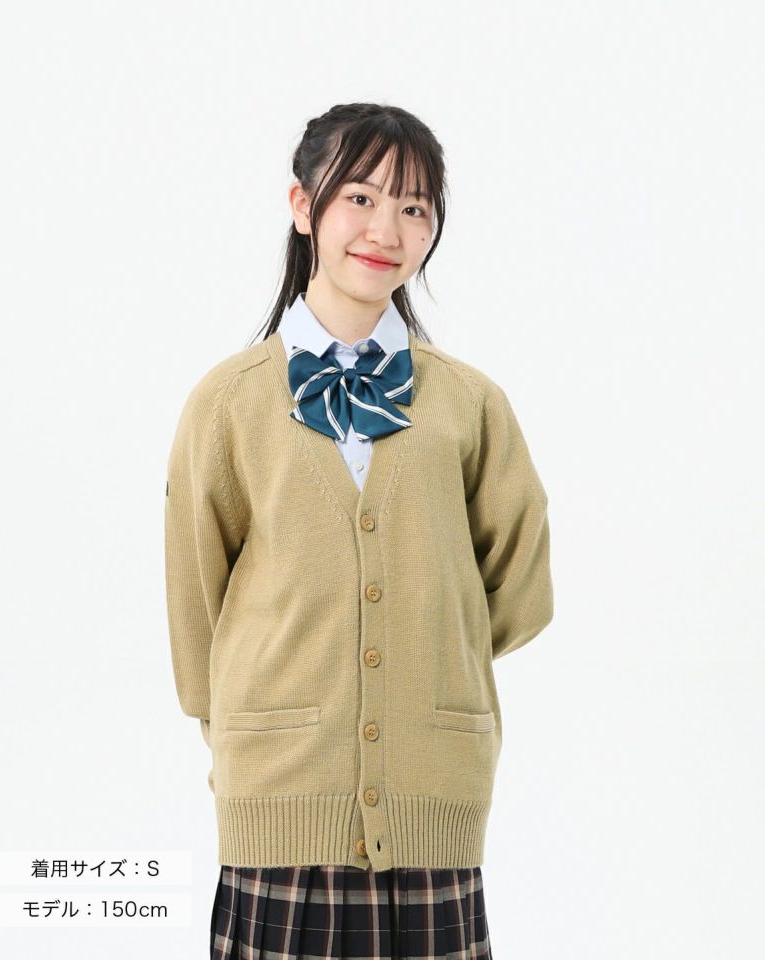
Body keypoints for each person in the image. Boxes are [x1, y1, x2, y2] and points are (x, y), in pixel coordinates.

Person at [164, 101, 554, 960]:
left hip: (433, 797)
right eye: (362, 198)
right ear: (304, 206)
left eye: (415, 207)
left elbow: (521, 589)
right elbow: (196, 606)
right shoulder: (228, 403)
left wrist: (428, 643)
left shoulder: (469, 404)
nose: (387, 230)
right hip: (277, 796)